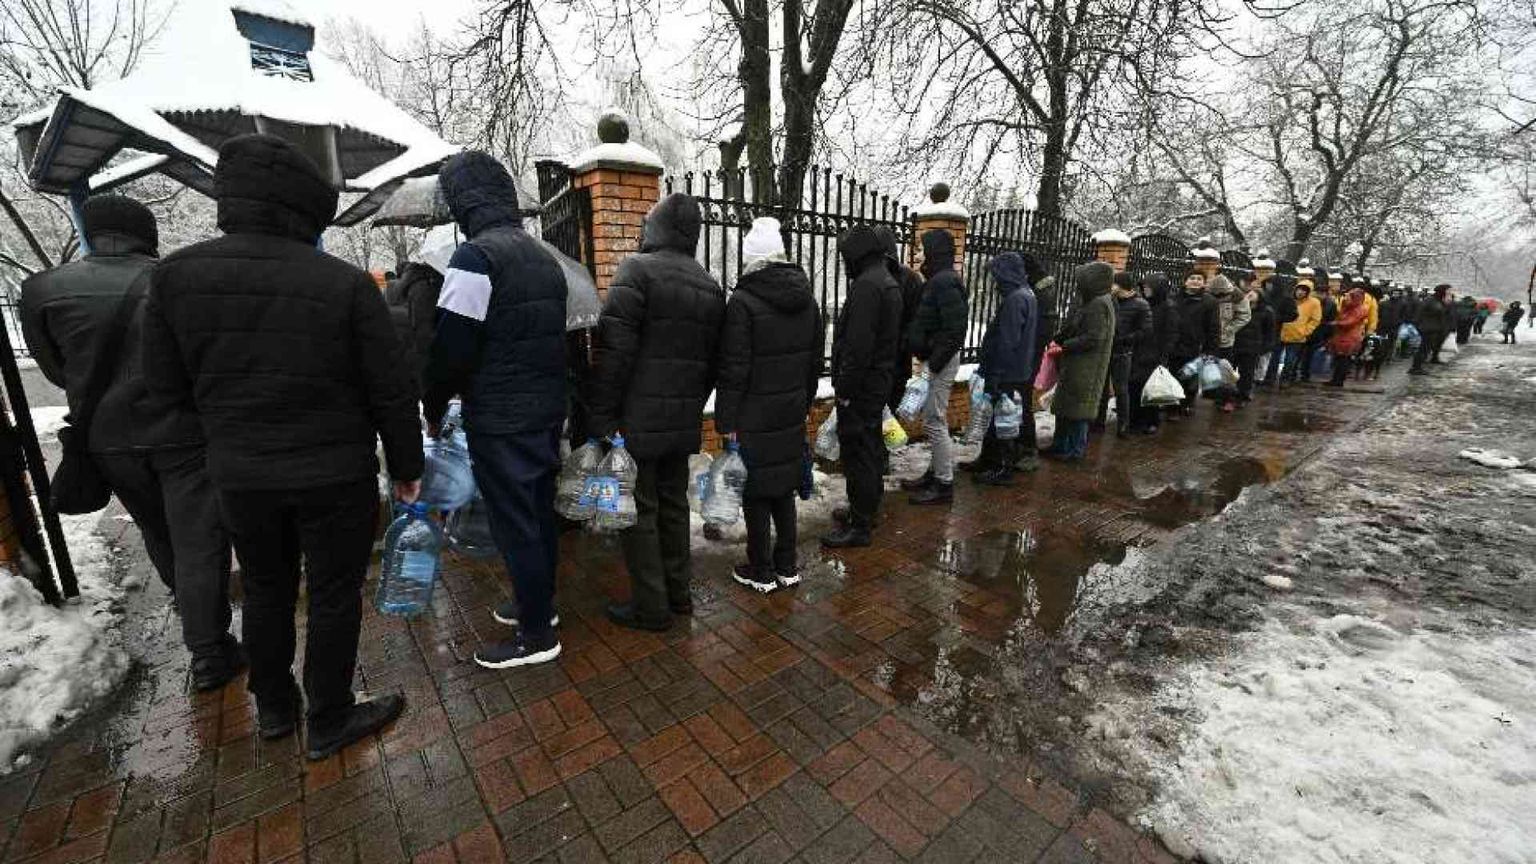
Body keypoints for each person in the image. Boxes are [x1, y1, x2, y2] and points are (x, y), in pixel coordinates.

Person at [142, 134, 422, 758]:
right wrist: (407, 468)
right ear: (302, 208)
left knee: (266, 588)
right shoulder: (346, 286)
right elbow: (391, 390)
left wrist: (230, 425)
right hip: (335, 473)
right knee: (331, 592)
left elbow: (164, 388)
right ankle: (328, 716)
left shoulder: (175, 279)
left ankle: (274, 708)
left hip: (242, 475)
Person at [20, 196, 240, 691]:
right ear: (148, 233)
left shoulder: (42, 291)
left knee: (156, 531)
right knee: (199, 539)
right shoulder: (180, 280)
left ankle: (200, 627)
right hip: (183, 434)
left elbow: (57, 370)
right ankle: (208, 650)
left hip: (107, 439)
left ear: (88, 233)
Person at [420, 151, 567, 668]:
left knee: (514, 522)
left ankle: (536, 635)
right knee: (538, 514)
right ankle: (540, 608)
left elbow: (450, 348)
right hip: (546, 411)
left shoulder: (475, 259)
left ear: (463, 201)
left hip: (502, 418)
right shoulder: (544, 257)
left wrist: (433, 406)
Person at [589, 193, 725, 630]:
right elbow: (713, 362)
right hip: (681, 419)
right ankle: (679, 594)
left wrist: (603, 418)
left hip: (636, 422)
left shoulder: (636, 271)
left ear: (656, 228)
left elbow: (614, 354)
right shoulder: (709, 285)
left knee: (640, 511)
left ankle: (651, 607)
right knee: (673, 505)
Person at [714, 218, 821, 593]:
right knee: (783, 487)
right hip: (791, 410)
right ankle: (787, 565)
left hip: (753, 414)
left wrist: (725, 418)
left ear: (751, 259)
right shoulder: (807, 299)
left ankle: (760, 569)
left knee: (756, 491)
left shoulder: (742, 303)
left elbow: (734, 368)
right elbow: (814, 362)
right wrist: (803, 402)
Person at [823, 225, 901, 548]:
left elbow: (858, 348)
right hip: (877, 382)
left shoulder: (868, 287)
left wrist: (844, 389)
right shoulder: (885, 280)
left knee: (859, 454)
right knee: (869, 449)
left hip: (861, 388)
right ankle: (866, 509)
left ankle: (860, 524)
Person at [900, 229, 968, 505]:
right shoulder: (938, 280)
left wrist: (933, 366)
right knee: (931, 419)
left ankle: (944, 482)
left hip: (941, 361)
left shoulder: (946, 282)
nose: (916, 255)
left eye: (920, 250)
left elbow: (954, 331)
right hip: (934, 359)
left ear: (934, 252)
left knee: (934, 420)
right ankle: (934, 472)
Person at [972, 252, 1037, 485]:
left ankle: (1002, 468)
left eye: (996, 274)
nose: (994, 280)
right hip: (1016, 370)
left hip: (1007, 372)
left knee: (1003, 421)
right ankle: (988, 461)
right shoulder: (1026, 294)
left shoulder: (1016, 299)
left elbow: (1007, 341)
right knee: (997, 419)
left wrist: (996, 374)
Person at [1044, 262, 1115, 461]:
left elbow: (1094, 337)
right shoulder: (1091, 300)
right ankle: (1059, 446)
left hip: (1087, 367)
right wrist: (1059, 338)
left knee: (1078, 411)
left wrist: (1064, 346)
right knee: (1067, 408)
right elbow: (1075, 325)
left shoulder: (1099, 303)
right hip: (1077, 364)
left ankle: (1074, 451)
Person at [878, 227, 925, 420]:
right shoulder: (873, 276)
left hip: (897, 359)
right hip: (881, 360)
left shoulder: (910, 279)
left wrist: (902, 344)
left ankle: (884, 449)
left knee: (890, 413)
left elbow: (917, 320)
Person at [1096, 272, 1150, 436]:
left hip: (1123, 353)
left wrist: (1126, 339)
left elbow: (1145, 331)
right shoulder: (1110, 301)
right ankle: (1098, 422)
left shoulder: (1140, 305)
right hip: (1105, 351)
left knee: (1121, 390)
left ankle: (1123, 425)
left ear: (1120, 285)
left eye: (1113, 284)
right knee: (1101, 388)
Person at [385, 258, 445, 389]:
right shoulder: (424, 285)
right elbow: (424, 331)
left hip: (404, 355)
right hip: (424, 355)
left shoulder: (397, 289)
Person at [1132, 272, 1179, 434]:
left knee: (1151, 389)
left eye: (1148, 287)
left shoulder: (1168, 307)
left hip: (1155, 354)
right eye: (1144, 287)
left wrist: (1164, 355)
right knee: (1135, 386)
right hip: (1139, 350)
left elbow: (1171, 334)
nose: (1145, 290)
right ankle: (1136, 419)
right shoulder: (1142, 304)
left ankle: (1151, 420)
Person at [1167, 272, 1219, 416]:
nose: (1195, 281)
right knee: (1174, 376)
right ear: (1185, 281)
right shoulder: (1173, 298)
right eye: (1192, 278)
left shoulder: (1210, 301)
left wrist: (1211, 349)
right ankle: (1172, 407)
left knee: (1190, 378)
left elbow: (1213, 327)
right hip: (1175, 344)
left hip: (1196, 345)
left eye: (1199, 279)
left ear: (1204, 283)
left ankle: (1187, 404)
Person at [1207, 273, 1251, 413]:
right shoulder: (1206, 295)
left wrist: (1229, 330)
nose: (1220, 299)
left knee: (1225, 372)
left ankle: (1228, 399)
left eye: (1223, 296)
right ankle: (1215, 397)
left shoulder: (1237, 296)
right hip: (1207, 341)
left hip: (1225, 342)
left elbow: (1245, 315)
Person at [1232, 276, 1275, 404]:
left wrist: (1265, 348)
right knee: (1228, 371)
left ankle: (1243, 395)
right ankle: (1225, 395)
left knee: (1247, 373)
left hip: (1252, 348)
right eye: (1248, 293)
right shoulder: (1237, 308)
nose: (1250, 295)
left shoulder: (1266, 312)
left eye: (1253, 294)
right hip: (1234, 344)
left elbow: (1270, 332)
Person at [1324, 286, 1370, 387]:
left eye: (1349, 296)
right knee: (1339, 359)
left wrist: (1336, 323)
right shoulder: (1348, 307)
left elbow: (1350, 322)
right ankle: (1335, 379)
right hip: (1342, 336)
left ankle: (1338, 381)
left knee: (1343, 360)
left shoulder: (1360, 309)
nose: (1346, 298)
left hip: (1349, 338)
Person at [1279, 281, 1322, 384]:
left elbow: (1315, 320)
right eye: (1299, 289)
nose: (1301, 292)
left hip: (1297, 336)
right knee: (1274, 359)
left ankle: (1285, 379)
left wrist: (1305, 331)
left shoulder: (1314, 303)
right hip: (1281, 333)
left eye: (1304, 290)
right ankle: (1269, 379)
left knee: (1290, 360)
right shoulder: (1288, 299)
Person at [1259, 274, 1298, 386]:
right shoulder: (1263, 296)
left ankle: (1269, 378)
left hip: (1275, 330)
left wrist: (1277, 318)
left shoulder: (1286, 299)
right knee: (1261, 356)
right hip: (1260, 329)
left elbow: (1293, 315)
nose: (1268, 286)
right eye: (1267, 284)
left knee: (1273, 355)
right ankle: (1260, 376)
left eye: (1270, 284)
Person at [1410, 284, 1453, 374]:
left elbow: (1444, 313)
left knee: (1427, 348)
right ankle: (1415, 368)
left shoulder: (1440, 301)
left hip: (1435, 328)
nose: (1450, 292)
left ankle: (1418, 366)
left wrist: (1447, 304)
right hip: (1427, 328)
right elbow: (1419, 313)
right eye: (1448, 290)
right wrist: (1418, 326)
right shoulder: (1430, 300)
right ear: (1442, 291)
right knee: (1423, 348)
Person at [1302, 282, 1337, 382]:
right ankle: (1302, 373)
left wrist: (1328, 336)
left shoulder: (1331, 304)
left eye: (1322, 293)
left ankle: (1307, 374)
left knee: (1312, 354)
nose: (1319, 295)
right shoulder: (1309, 302)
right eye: (1317, 292)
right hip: (1306, 330)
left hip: (1320, 333)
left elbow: (1332, 320)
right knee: (1304, 354)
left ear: (1326, 294)